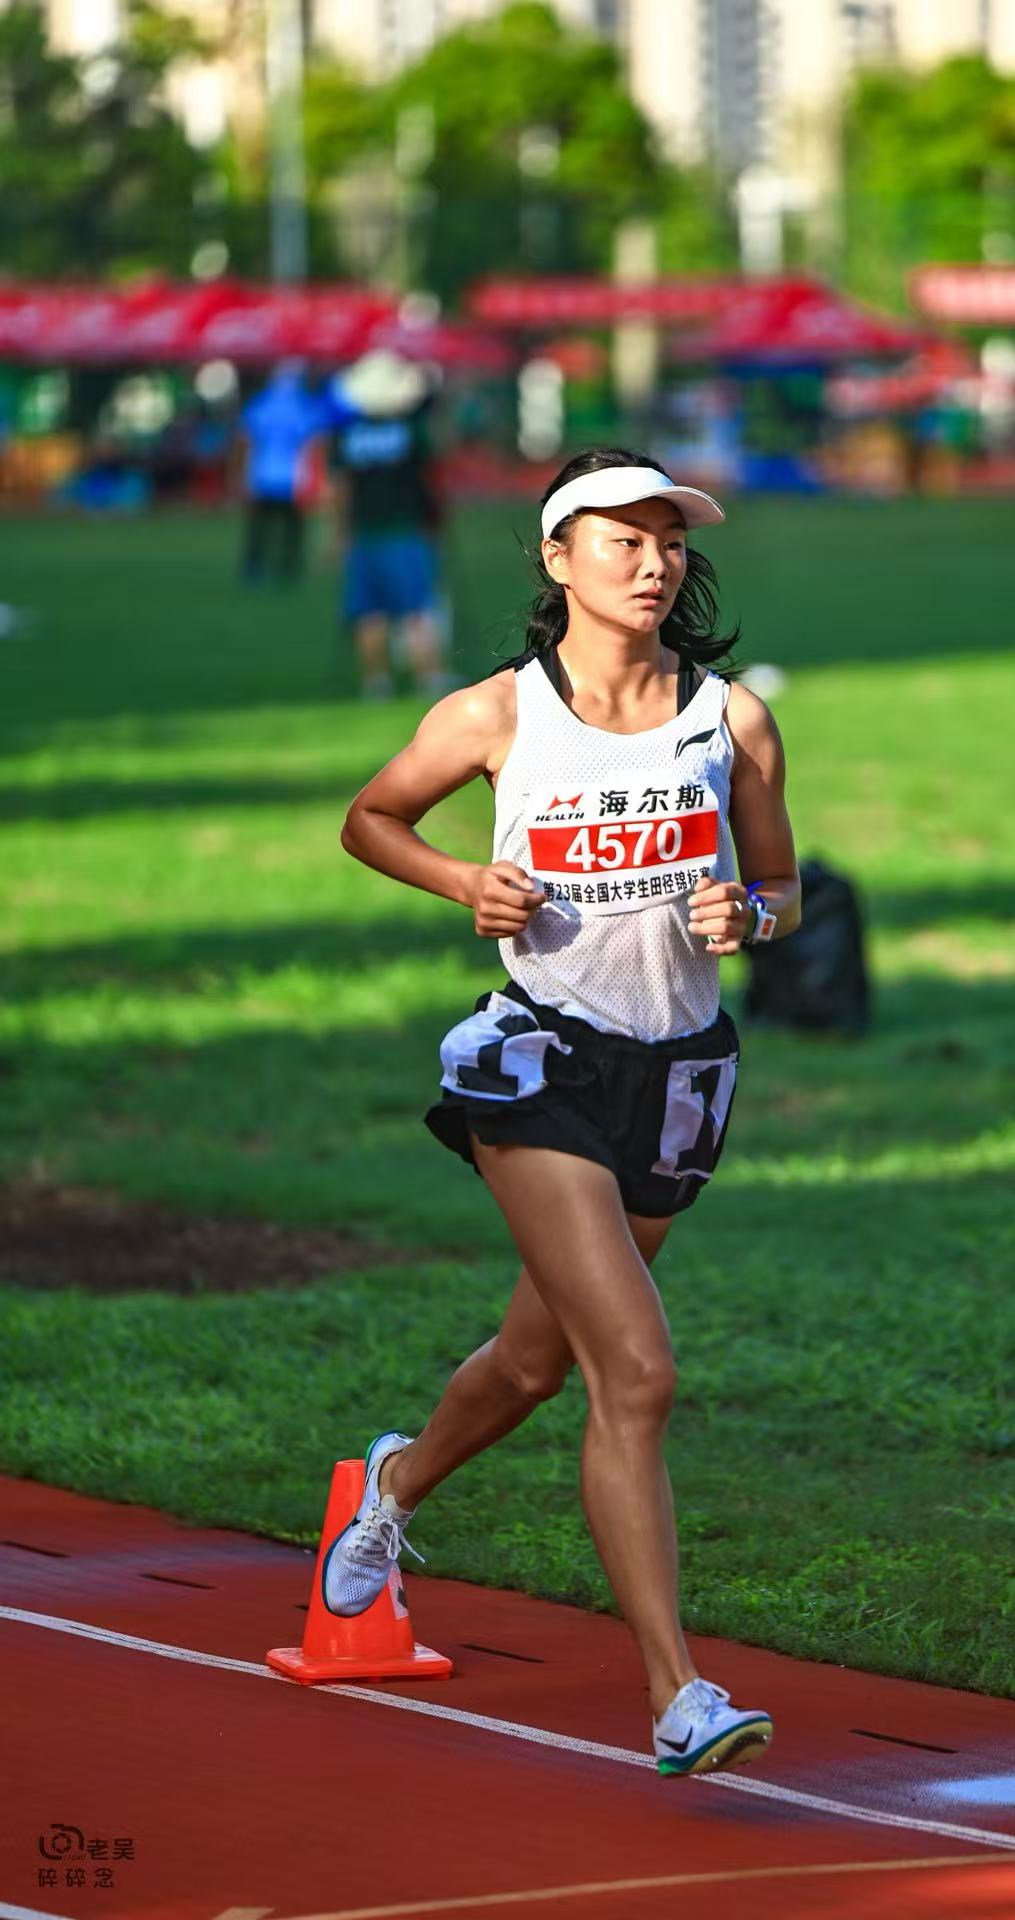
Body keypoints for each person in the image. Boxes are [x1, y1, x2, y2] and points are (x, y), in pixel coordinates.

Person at [331, 447, 801, 1777]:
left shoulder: (733, 720)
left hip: (679, 1075)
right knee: (635, 1372)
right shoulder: (498, 713)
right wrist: (460, 881)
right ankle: (677, 1695)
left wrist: (750, 914)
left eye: (669, 542)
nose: (654, 563)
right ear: (558, 557)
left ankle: (392, 1487)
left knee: (534, 1365)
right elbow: (370, 818)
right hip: (538, 1063)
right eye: (623, 540)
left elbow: (782, 890)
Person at [329, 349, 449, 702]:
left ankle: (375, 681)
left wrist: (339, 533)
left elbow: (341, 489)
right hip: (405, 530)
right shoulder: (411, 431)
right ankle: (428, 675)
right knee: (417, 607)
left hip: (364, 533)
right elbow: (430, 476)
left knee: (369, 611)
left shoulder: (346, 434)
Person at [237, 362, 327, 585]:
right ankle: (288, 568)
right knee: (292, 527)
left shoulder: (261, 403)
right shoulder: (304, 405)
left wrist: (244, 475)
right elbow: (315, 444)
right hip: (294, 477)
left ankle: (254, 567)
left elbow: (247, 442)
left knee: (260, 526)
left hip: (263, 473)